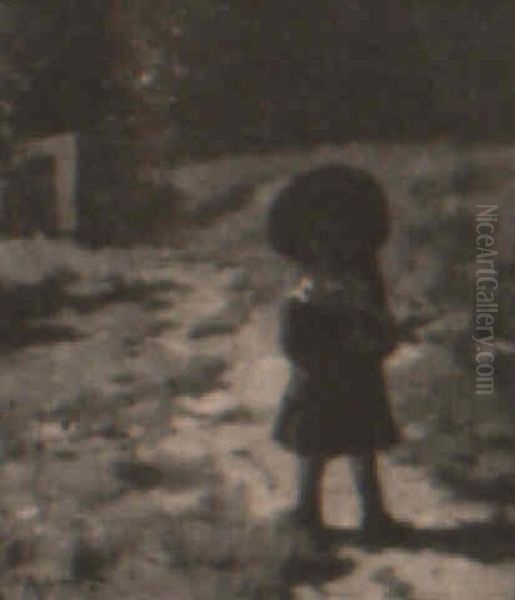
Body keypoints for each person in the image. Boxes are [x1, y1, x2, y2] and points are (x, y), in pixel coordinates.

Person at [267, 163, 405, 538]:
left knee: (363, 446)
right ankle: (307, 511)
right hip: (318, 371)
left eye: (341, 234)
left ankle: (373, 515)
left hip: (356, 370)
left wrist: (376, 333)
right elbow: (293, 330)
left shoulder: (364, 278)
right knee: (313, 447)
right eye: (322, 237)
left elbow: (381, 324)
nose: (332, 245)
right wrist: (308, 346)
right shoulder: (305, 283)